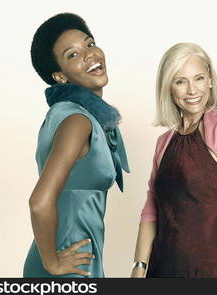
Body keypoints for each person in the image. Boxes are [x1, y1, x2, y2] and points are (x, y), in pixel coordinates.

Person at [131, 43, 217, 278]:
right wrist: (139, 267)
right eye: (180, 81)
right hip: (160, 268)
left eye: (198, 78)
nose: (191, 90)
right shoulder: (164, 142)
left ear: (210, 78)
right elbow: (151, 208)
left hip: (208, 270)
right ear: (169, 88)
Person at [23, 13, 129, 278]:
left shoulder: (65, 114)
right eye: (72, 55)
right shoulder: (78, 121)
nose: (90, 55)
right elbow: (39, 201)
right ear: (59, 76)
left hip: (67, 251)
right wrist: (53, 264)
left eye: (90, 44)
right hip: (72, 259)